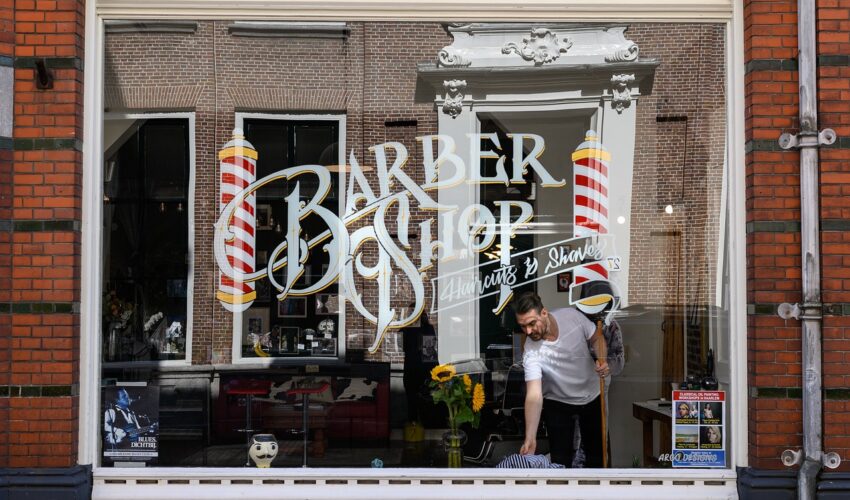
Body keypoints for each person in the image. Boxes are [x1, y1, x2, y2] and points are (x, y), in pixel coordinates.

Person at [515, 291, 608, 468]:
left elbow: (597, 337)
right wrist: (530, 438)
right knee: (560, 464)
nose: (528, 331)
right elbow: (534, 395)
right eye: (523, 326)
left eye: (532, 323)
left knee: (598, 459)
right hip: (557, 401)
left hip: (592, 395)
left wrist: (602, 358)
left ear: (544, 313)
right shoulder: (530, 349)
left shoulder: (571, 317)